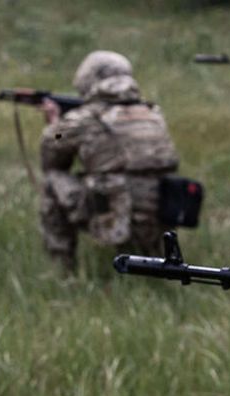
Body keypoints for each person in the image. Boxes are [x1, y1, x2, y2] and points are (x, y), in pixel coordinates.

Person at [38, 51, 179, 272]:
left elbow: (52, 155)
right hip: (162, 216)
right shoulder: (153, 114)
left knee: (52, 182)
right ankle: (152, 258)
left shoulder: (83, 119)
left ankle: (62, 270)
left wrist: (54, 125)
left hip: (117, 216)